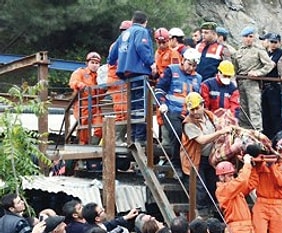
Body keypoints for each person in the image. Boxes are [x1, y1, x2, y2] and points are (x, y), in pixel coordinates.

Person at [109, 10, 156, 143]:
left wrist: (111, 62)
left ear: (132, 20)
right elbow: (141, 46)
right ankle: (139, 138)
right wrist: (151, 63)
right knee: (141, 106)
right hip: (139, 72)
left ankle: (134, 135)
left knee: (133, 106)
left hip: (126, 74)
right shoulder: (141, 31)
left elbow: (113, 53)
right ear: (145, 22)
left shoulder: (125, 33)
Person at [180, 92, 229, 216]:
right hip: (195, 159)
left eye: (197, 108)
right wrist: (220, 133)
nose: (195, 112)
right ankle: (202, 215)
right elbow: (201, 140)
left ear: (203, 105)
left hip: (210, 158)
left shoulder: (209, 115)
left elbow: (220, 122)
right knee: (200, 190)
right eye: (192, 109)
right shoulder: (188, 123)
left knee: (213, 185)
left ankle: (215, 213)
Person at [155, 48, 202, 172]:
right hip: (171, 110)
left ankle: (191, 165)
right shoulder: (171, 70)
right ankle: (176, 164)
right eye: (189, 64)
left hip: (189, 114)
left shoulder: (198, 78)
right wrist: (162, 103)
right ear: (183, 60)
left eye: (194, 66)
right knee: (177, 132)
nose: (191, 68)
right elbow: (159, 89)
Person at [232, 26, 275, 130]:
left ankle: (257, 134)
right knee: (243, 111)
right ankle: (245, 134)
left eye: (250, 36)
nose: (248, 39)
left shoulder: (258, 50)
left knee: (254, 109)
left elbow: (270, 64)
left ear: (254, 37)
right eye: (246, 37)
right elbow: (236, 67)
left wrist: (258, 73)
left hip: (252, 83)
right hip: (241, 82)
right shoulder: (239, 51)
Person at [69, 52, 103, 144]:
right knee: (84, 128)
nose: (94, 65)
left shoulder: (100, 76)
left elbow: (102, 92)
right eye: (92, 62)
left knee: (100, 128)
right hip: (82, 105)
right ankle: (83, 146)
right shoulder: (80, 72)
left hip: (95, 106)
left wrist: (104, 89)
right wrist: (81, 85)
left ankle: (93, 146)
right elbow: (73, 82)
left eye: (97, 63)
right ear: (87, 63)